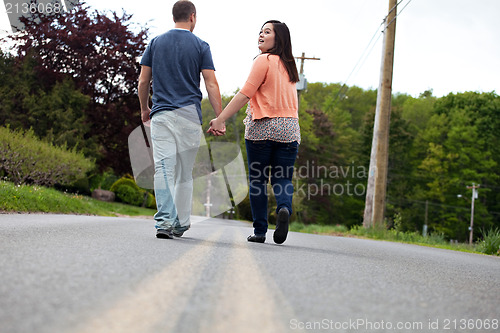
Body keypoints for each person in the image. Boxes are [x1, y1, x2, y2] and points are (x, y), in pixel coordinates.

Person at [208, 20, 300, 244]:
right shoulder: (289, 65)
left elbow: (245, 94)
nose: (261, 35)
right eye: (260, 31)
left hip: (262, 126)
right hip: (289, 128)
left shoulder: (263, 60)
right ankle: (284, 208)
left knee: (258, 180)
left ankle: (260, 231)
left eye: (267, 32)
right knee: (282, 178)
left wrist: (220, 119)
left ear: (278, 39)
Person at [138, 0, 222, 239]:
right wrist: (220, 117)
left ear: (174, 16)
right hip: (189, 117)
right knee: (184, 172)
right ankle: (181, 223)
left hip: (162, 114)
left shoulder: (155, 43)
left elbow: (143, 81)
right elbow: (211, 83)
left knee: (164, 169)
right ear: (192, 17)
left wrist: (144, 108)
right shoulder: (201, 45)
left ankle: (163, 222)